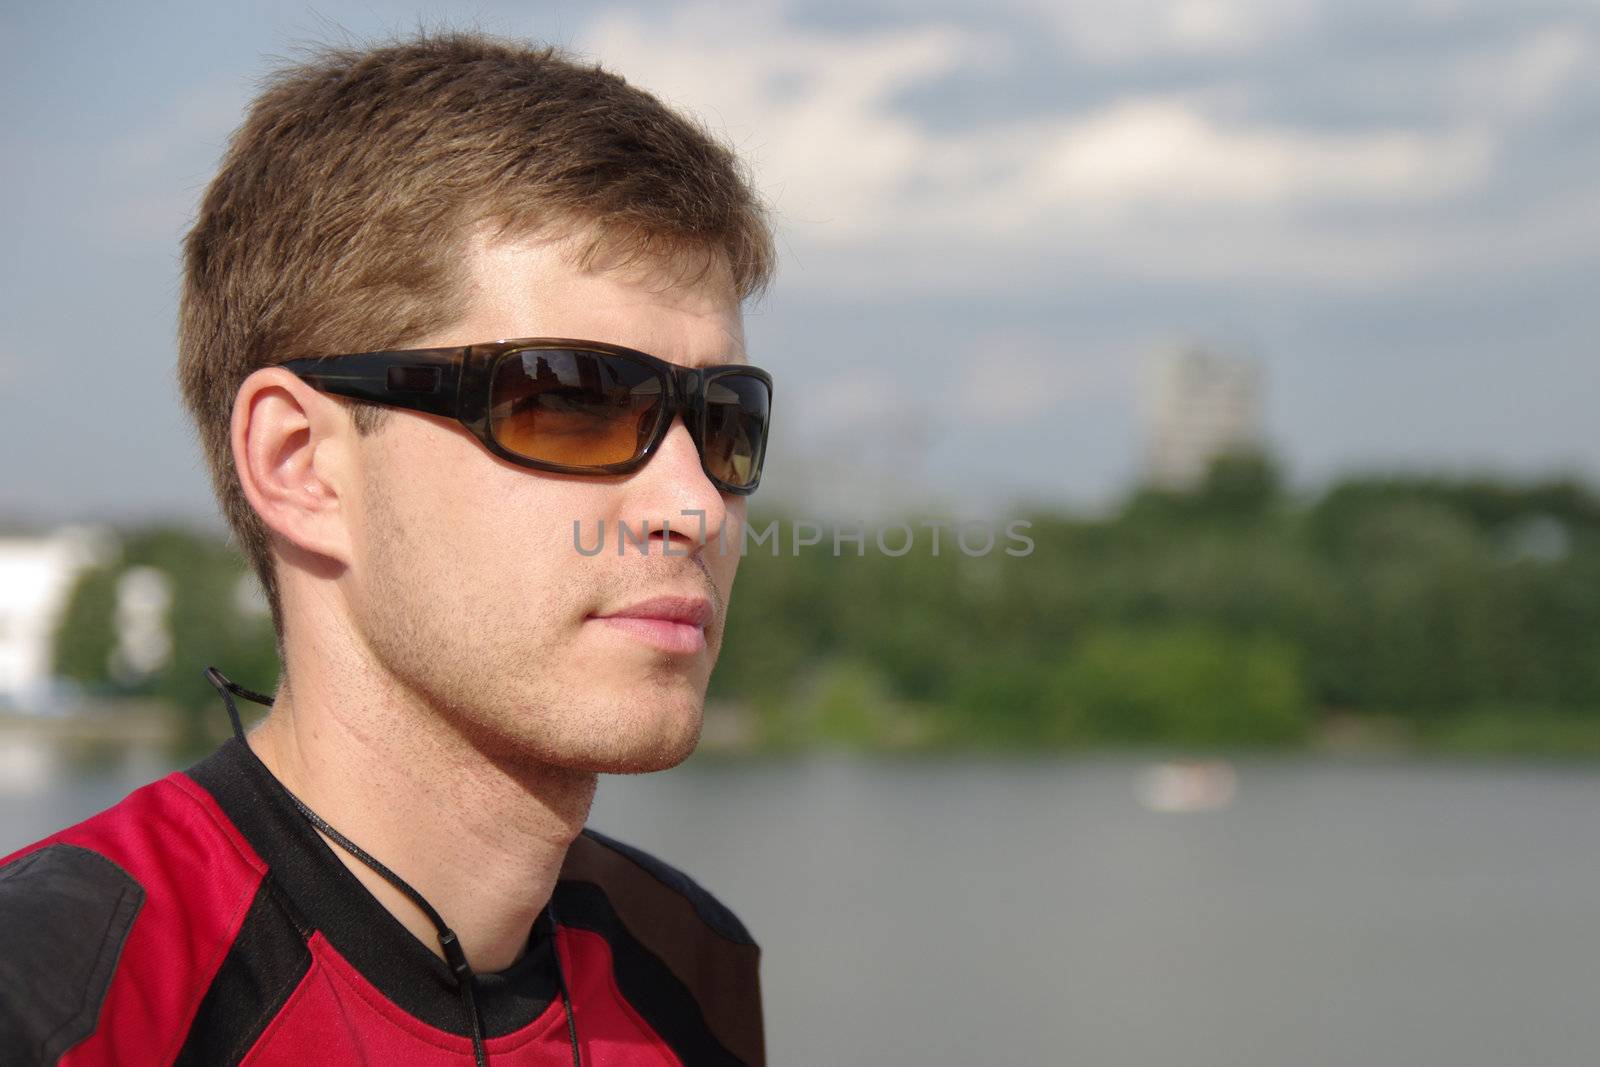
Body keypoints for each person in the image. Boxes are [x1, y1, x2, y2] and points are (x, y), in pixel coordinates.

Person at [0, 30, 776, 1067]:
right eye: (572, 402)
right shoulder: (61, 999)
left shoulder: (686, 961)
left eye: (725, 421)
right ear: (299, 464)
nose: (694, 503)